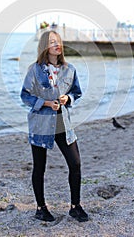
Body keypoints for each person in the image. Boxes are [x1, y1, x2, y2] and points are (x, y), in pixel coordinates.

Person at [20, 30, 88, 222]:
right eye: (52, 42)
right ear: (44, 46)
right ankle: (41, 208)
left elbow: (77, 92)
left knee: (75, 163)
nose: (57, 45)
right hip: (40, 124)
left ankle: (75, 207)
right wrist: (46, 103)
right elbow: (25, 96)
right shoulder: (34, 70)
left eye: (58, 41)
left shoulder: (69, 69)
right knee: (39, 167)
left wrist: (68, 98)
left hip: (63, 122)